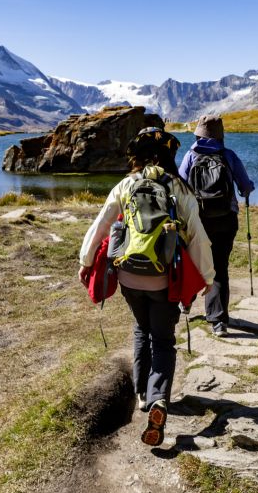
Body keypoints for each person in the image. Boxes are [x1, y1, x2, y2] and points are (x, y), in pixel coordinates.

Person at [78, 127, 214, 446]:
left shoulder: (127, 185)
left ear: (136, 156)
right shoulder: (178, 187)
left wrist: (86, 260)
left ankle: (142, 394)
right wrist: (208, 278)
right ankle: (158, 399)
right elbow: (198, 236)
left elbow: (101, 225)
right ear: (170, 155)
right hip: (164, 278)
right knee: (163, 340)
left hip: (128, 275)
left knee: (142, 328)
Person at [179, 115, 254, 337]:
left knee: (194, 261)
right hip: (226, 218)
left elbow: (180, 186)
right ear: (221, 135)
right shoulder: (228, 156)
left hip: (198, 220)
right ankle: (218, 321)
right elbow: (245, 186)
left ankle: (186, 302)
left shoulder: (190, 156)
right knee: (219, 268)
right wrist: (247, 188)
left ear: (198, 135)